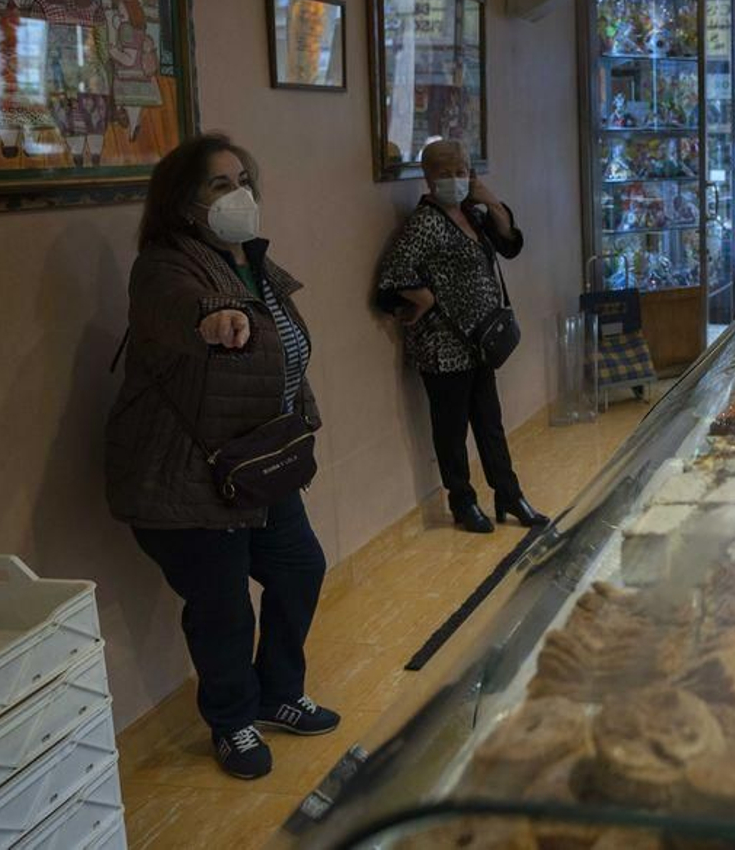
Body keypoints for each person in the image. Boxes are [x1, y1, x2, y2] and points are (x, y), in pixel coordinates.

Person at [106, 134, 338, 781]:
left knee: (300, 568)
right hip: (183, 475)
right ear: (183, 201)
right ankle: (232, 719)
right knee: (223, 605)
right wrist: (214, 319)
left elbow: (282, 349)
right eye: (219, 184)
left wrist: (301, 421)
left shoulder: (249, 261)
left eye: (244, 179)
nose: (239, 193)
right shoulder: (163, 265)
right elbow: (181, 310)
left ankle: (277, 692)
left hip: (249, 464)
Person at [376, 139, 548, 534]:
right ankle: (463, 502)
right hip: (443, 346)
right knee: (451, 428)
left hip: (480, 343)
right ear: (428, 176)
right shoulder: (424, 222)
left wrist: (489, 197)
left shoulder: (473, 211)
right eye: (445, 171)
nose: (454, 178)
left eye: (461, 170)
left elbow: (511, 244)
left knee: (490, 423)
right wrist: (425, 296)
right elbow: (391, 278)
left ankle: (509, 494)